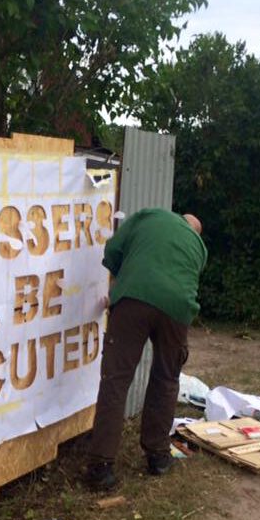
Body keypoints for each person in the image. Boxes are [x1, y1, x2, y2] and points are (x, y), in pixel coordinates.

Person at [84, 208, 207, 490]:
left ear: (179, 218)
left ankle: (101, 467)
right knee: (166, 379)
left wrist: (123, 278)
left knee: (116, 380)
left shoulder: (151, 216)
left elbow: (113, 248)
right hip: (178, 309)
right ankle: (158, 457)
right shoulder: (199, 247)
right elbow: (187, 279)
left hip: (134, 301)